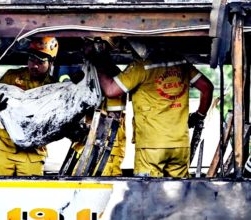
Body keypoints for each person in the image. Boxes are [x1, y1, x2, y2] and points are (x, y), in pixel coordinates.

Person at [86, 39, 214, 178]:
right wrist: (200, 115)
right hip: (179, 145)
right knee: (179, 191)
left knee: (147, 192)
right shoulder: (181, 63)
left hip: (151, 147)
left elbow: (111, 90)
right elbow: (207, 87)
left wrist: (95, 61)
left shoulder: (141, 67)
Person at [0, 36, 62, 176]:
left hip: (33, 153)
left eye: (41, 61)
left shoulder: (54, 88)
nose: (34, 65)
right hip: (3, 149)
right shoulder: (11, 77)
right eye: (31, 59)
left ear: (51, 62)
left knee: (32, 195)